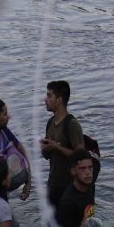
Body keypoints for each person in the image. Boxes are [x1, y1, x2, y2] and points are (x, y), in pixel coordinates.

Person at [54, 149, 98, 227]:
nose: (88, 173)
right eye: (82, 169)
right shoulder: (68, 202)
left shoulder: (89, 189)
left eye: (90, 168)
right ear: (73, 171)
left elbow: (88, 220)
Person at [40, 80, 84, 209]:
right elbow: (47, 156)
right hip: (53, 185)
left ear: (59, 100)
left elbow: (81, 156)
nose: (45, 99)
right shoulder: (50, 122)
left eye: (49, 95)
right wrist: (45, 147)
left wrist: (56, 147)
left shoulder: (72, 124)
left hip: (70, 187)